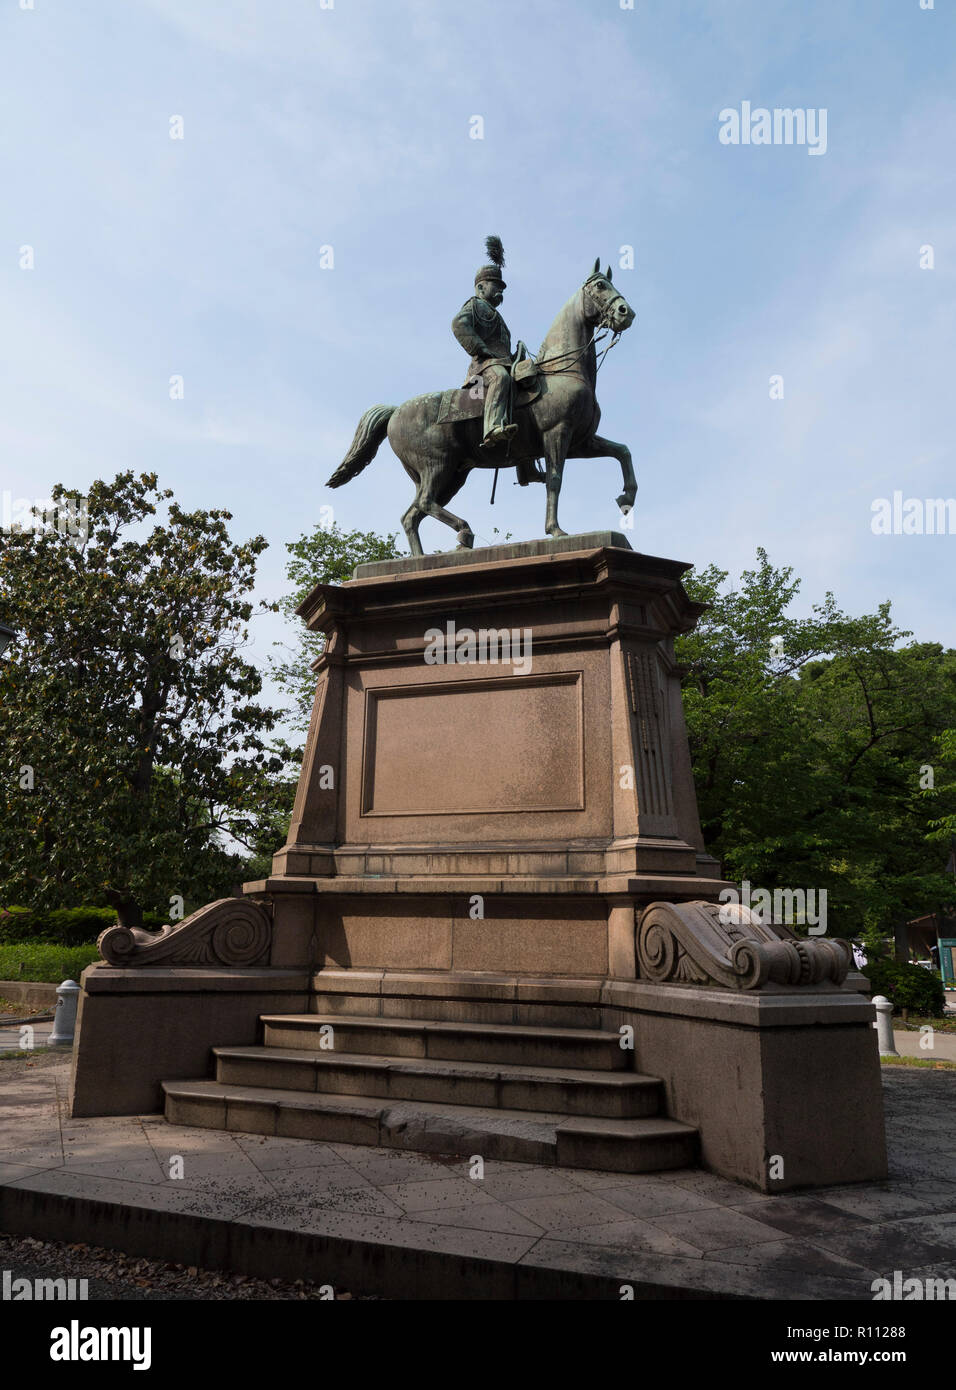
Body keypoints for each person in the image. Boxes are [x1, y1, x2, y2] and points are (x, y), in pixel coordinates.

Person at [452, 236, 519, 450]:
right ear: (481, 288)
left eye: (502, 288)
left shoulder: (497, 316)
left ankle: (525, 465)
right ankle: (491, 428)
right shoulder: (475, 305)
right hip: (481, 372)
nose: (501, 291)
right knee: (502, 378)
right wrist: (481, 348)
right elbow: (458, 324)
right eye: (496, 286)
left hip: (500, 363)